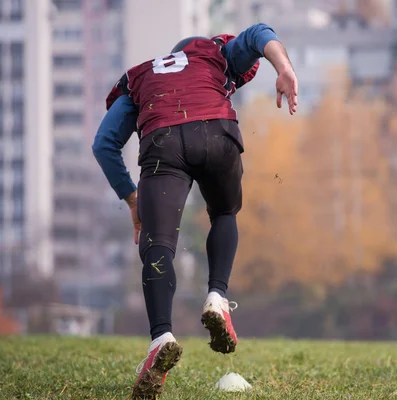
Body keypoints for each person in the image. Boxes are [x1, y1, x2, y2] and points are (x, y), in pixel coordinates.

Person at [92, 23, 297, 399]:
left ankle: (161, 338)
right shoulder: (212, 53)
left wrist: (132, 198)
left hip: (163, 142)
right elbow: (257, 34)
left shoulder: (140, 76)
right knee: (223, 213)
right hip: (216, 132)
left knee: (157, 244)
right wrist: (283, 66)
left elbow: (104, 143)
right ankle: (217, 297)